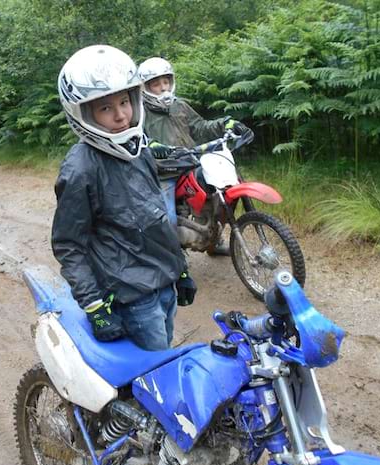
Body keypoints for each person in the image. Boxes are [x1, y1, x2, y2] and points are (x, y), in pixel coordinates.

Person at [52, 45, 196, 351]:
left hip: (163, 282)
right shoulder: (80, 169)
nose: (120, 115)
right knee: (151, 373)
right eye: (105, 108)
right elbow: (68, 244)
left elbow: (155, 214)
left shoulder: (139, 149)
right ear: (83, 112)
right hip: (131, 295)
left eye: (124, 102)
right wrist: (93, 305)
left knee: (163, 353)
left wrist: (180, 268)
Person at [138, 57, 253, 256]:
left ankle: (212, 239)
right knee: (166, 219)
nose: (163, 87)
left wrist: (225, 123)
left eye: (166, 82)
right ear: (145, 87)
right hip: (164, 172)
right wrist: (151, 145)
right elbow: (138, 138)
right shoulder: (140, 113)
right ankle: (170, 258)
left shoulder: (180, 106)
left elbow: (200, 127)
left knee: (225, 190)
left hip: (191, 161)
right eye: (156, 84)